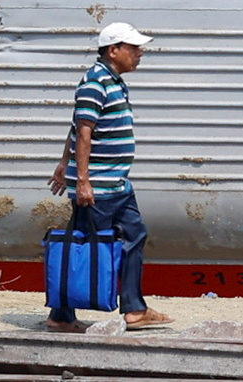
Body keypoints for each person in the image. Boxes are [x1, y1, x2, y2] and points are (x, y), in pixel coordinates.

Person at [44, 22, 173, 333]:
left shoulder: (114, 81)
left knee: (132, 236)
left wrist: (65, 162)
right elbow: (84, 132)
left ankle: (134, 309)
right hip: (99, 186)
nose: (140, 53)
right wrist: (83, 180)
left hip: (116, 184)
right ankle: (62, 315)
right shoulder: (94, 82)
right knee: (84, 244)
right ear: (113, 50)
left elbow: (76, 127)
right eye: (133, 48)